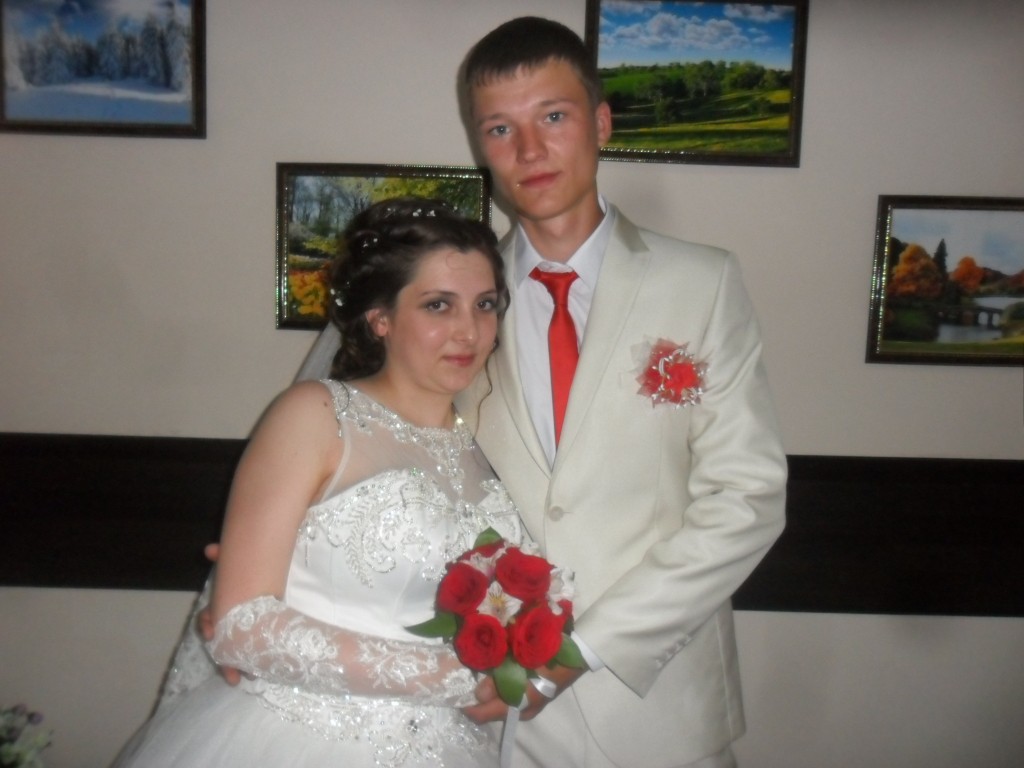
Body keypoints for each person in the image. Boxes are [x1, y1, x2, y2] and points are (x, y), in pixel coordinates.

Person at [297, 16, 788, 768]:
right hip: (494, 714)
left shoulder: (702, 282)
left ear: (601, 122)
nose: (529, 151)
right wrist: (287, 546)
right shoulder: (452, 304)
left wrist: (579, 649)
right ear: (479, 145)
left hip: (663, 714)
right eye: (500, 128)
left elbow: (747, 499)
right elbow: (362, 436)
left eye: (553, 117)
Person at [111, 197, 524, 768]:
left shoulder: (487, 443)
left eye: (485, 305)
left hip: (449, 744)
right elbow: (240, 624)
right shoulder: (318, 415)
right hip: (300, 738)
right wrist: (455, 678)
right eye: (438, 305)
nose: (469, 331)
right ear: (380, 318)